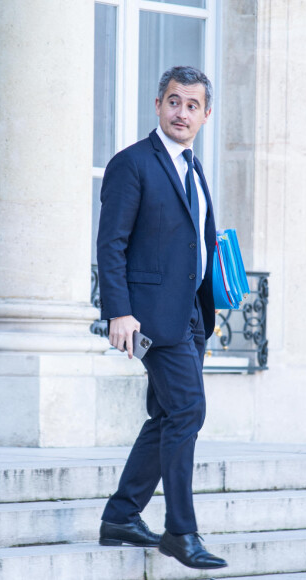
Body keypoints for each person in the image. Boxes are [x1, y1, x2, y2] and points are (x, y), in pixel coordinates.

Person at [96, 66, 227, 571]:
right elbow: (112, 243)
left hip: (192, 312)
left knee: (168, 415)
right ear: (158, 105)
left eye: (192, 106)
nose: (182, 113)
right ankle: (180, 530)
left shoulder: (193, 167)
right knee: (189, 411)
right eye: (174, 102)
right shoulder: (132, 164)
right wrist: (119, 312)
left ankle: (121, 515)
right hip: (151, 316)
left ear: (205, 115)